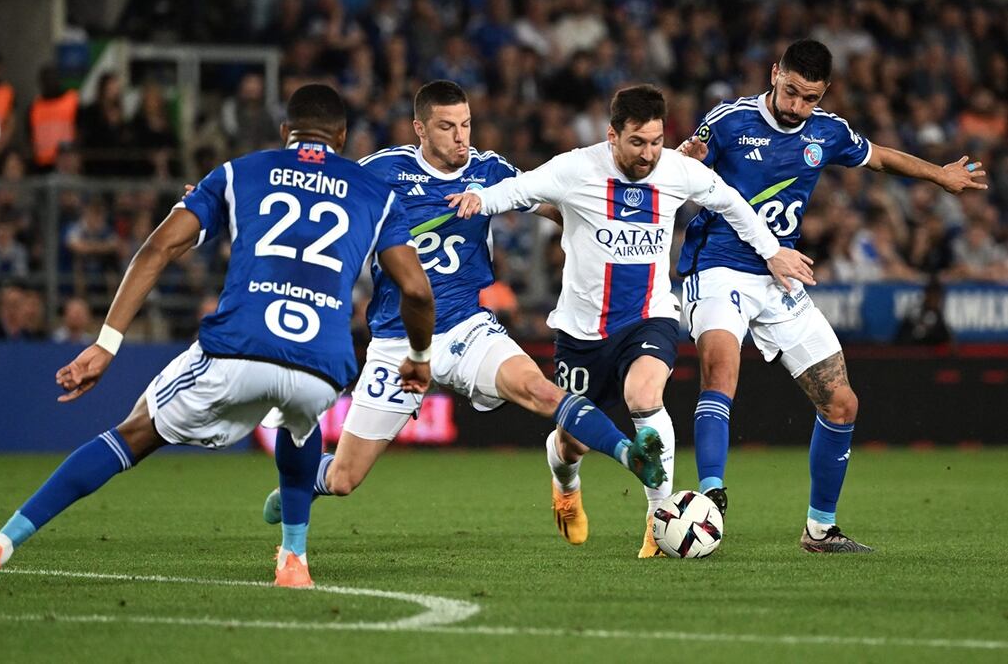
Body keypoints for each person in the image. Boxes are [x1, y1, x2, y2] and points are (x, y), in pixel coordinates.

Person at [0, 84, 435, 591]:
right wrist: (419, 357)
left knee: (132, 434)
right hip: (322, 366)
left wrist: (106, 344)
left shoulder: (239, 172)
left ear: (285, 132)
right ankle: (293, 559)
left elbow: (159, 248)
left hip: (239, 347)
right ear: (343, 136)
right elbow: (417, 291)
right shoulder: (376, 194)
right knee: (299, 424)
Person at [262, 80, 668, 531]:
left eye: (467, 124)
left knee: (539, 389)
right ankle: (305, 481)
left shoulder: (490, 170)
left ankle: (630, 454)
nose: (462, 138)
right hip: (398, 342)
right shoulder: (384, 171)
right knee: (343, 479)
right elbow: (318, 193)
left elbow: (558, 205)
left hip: (466, 328)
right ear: (419, 128)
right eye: (447, 127)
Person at [447, 84, 815, 556]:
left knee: (644, 396)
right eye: (637, 143)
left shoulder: (678, 171)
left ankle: (658, 518)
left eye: (657, 141)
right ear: (612, 136)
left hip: (650, 316)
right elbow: (518, 189)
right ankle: (566, 488)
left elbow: (731, 202)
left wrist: (772, 252)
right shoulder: (576, 168)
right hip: (583, 332)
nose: (648, 154)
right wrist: (480, 198)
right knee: (570, 445)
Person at [676, 39, 987, 553]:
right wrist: (687, 161)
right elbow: (682, 171)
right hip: (717, 267)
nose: (796, 106)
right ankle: (711, 496)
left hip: (781, 276)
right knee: (721, 369)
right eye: (791, 91)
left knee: (842, 403)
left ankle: (820, 529)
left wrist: (940, 176)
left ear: (823, 95)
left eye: (809, 98)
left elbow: (880, 157)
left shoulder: (828, 132)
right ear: (774, 74)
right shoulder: (728, 121)